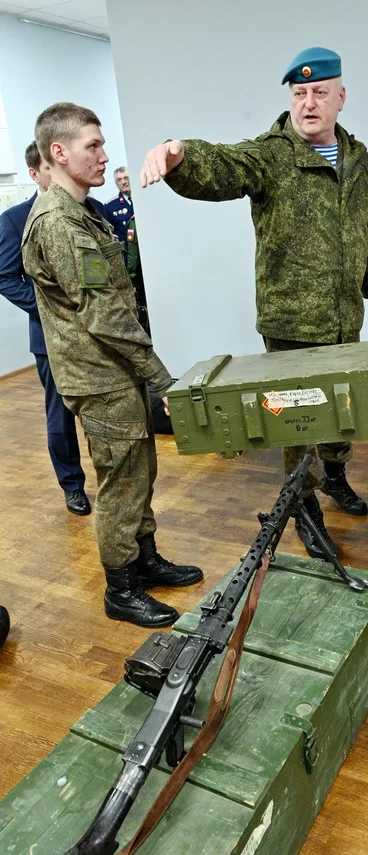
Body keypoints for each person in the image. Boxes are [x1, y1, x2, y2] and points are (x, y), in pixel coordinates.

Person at [140, 47, 368, 558]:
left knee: (342, 409)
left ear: (340, 97)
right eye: (299, 93)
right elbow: (226, 166)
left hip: (343, 316)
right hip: (292, 324)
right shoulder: (273, 154)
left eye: (319, 92)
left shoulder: (355, 160)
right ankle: (304, 507)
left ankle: (335, 477)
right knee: (300, 424)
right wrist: (181, 154)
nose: (308, 103)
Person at [22, 102, 203, 627]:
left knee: (138, 470)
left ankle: (144, 560)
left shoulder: (84, 211)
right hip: (99, 376)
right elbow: (104, 314)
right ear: (59, 152)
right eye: (93, 146)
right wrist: (161, 378)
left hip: (115, 372)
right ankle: (121, 588)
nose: (104, 156)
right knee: (121, 480)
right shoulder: (60, 223)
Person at [0, 141, 91, 515]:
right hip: (50, 338)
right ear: (34, 173)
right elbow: (6, 277)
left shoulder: (89, 209)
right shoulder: (15, 219)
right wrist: (53, 309)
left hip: (97, 332)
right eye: (49, 168)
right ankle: (72, 486)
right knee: (61, 416)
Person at [104, 166, 134, 243]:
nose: (123, 182)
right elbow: (107, 232)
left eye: (126, 178)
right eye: (119, 180)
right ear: (116, 184)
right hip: (126, 248)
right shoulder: (110, 206)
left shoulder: (143, 199)